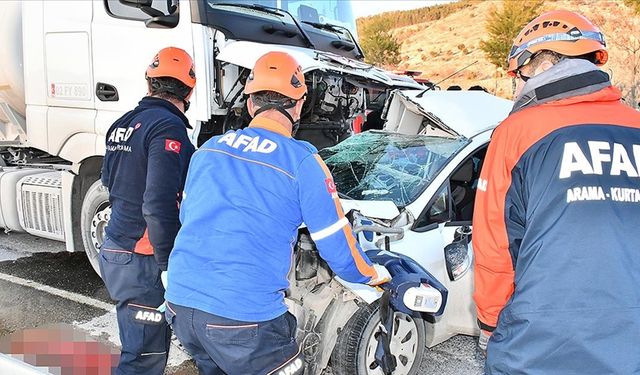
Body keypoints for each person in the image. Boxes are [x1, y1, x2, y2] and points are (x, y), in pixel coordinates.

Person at [164, 51, 390, 375]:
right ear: (298, 106)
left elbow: (190, 218)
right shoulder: (302, 162)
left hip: (181, 304)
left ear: (251, 104)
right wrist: (374, 276)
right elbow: (338, 249)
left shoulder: (208, 149)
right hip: (243, 319)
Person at [473, 10, 640, 374]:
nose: (516, 88)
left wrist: (489, 322)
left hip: (541, 342)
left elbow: (495, 245)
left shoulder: (518, 131)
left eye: (518, 75)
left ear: (541, 63)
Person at [100, 47, 196, 375]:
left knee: (140, 351)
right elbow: (157, 204)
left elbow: (108, 181)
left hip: (116, 249)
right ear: (189, 90)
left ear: (149, 82)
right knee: (143, 359)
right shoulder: (168, 128)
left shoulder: (121, 124)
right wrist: (168, 265)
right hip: (143, 259)